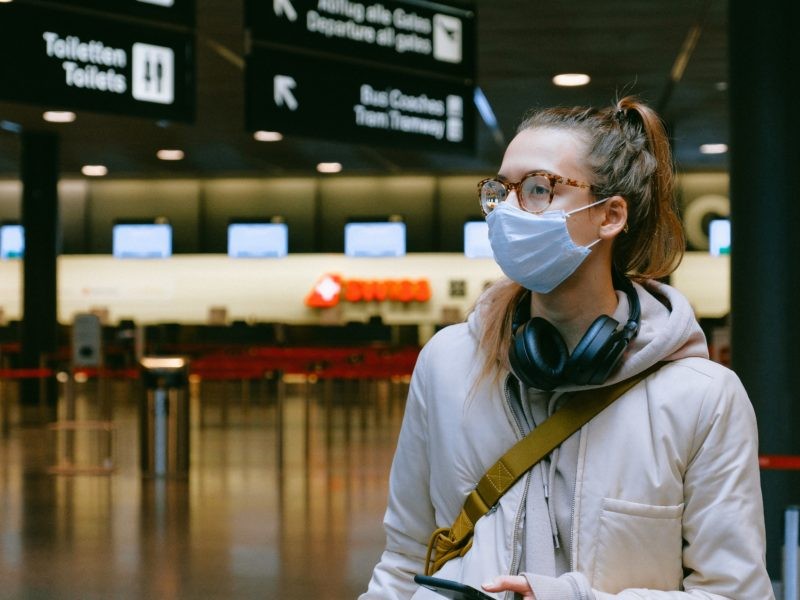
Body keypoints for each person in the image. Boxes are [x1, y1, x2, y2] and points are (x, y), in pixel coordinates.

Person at [360, 96, 773, 599]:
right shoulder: (447, 364)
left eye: (539, 189)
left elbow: (736, 593)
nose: (509, 211)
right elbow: (405, 558)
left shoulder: (702, 398)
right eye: (501, 190)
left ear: (610, 216)